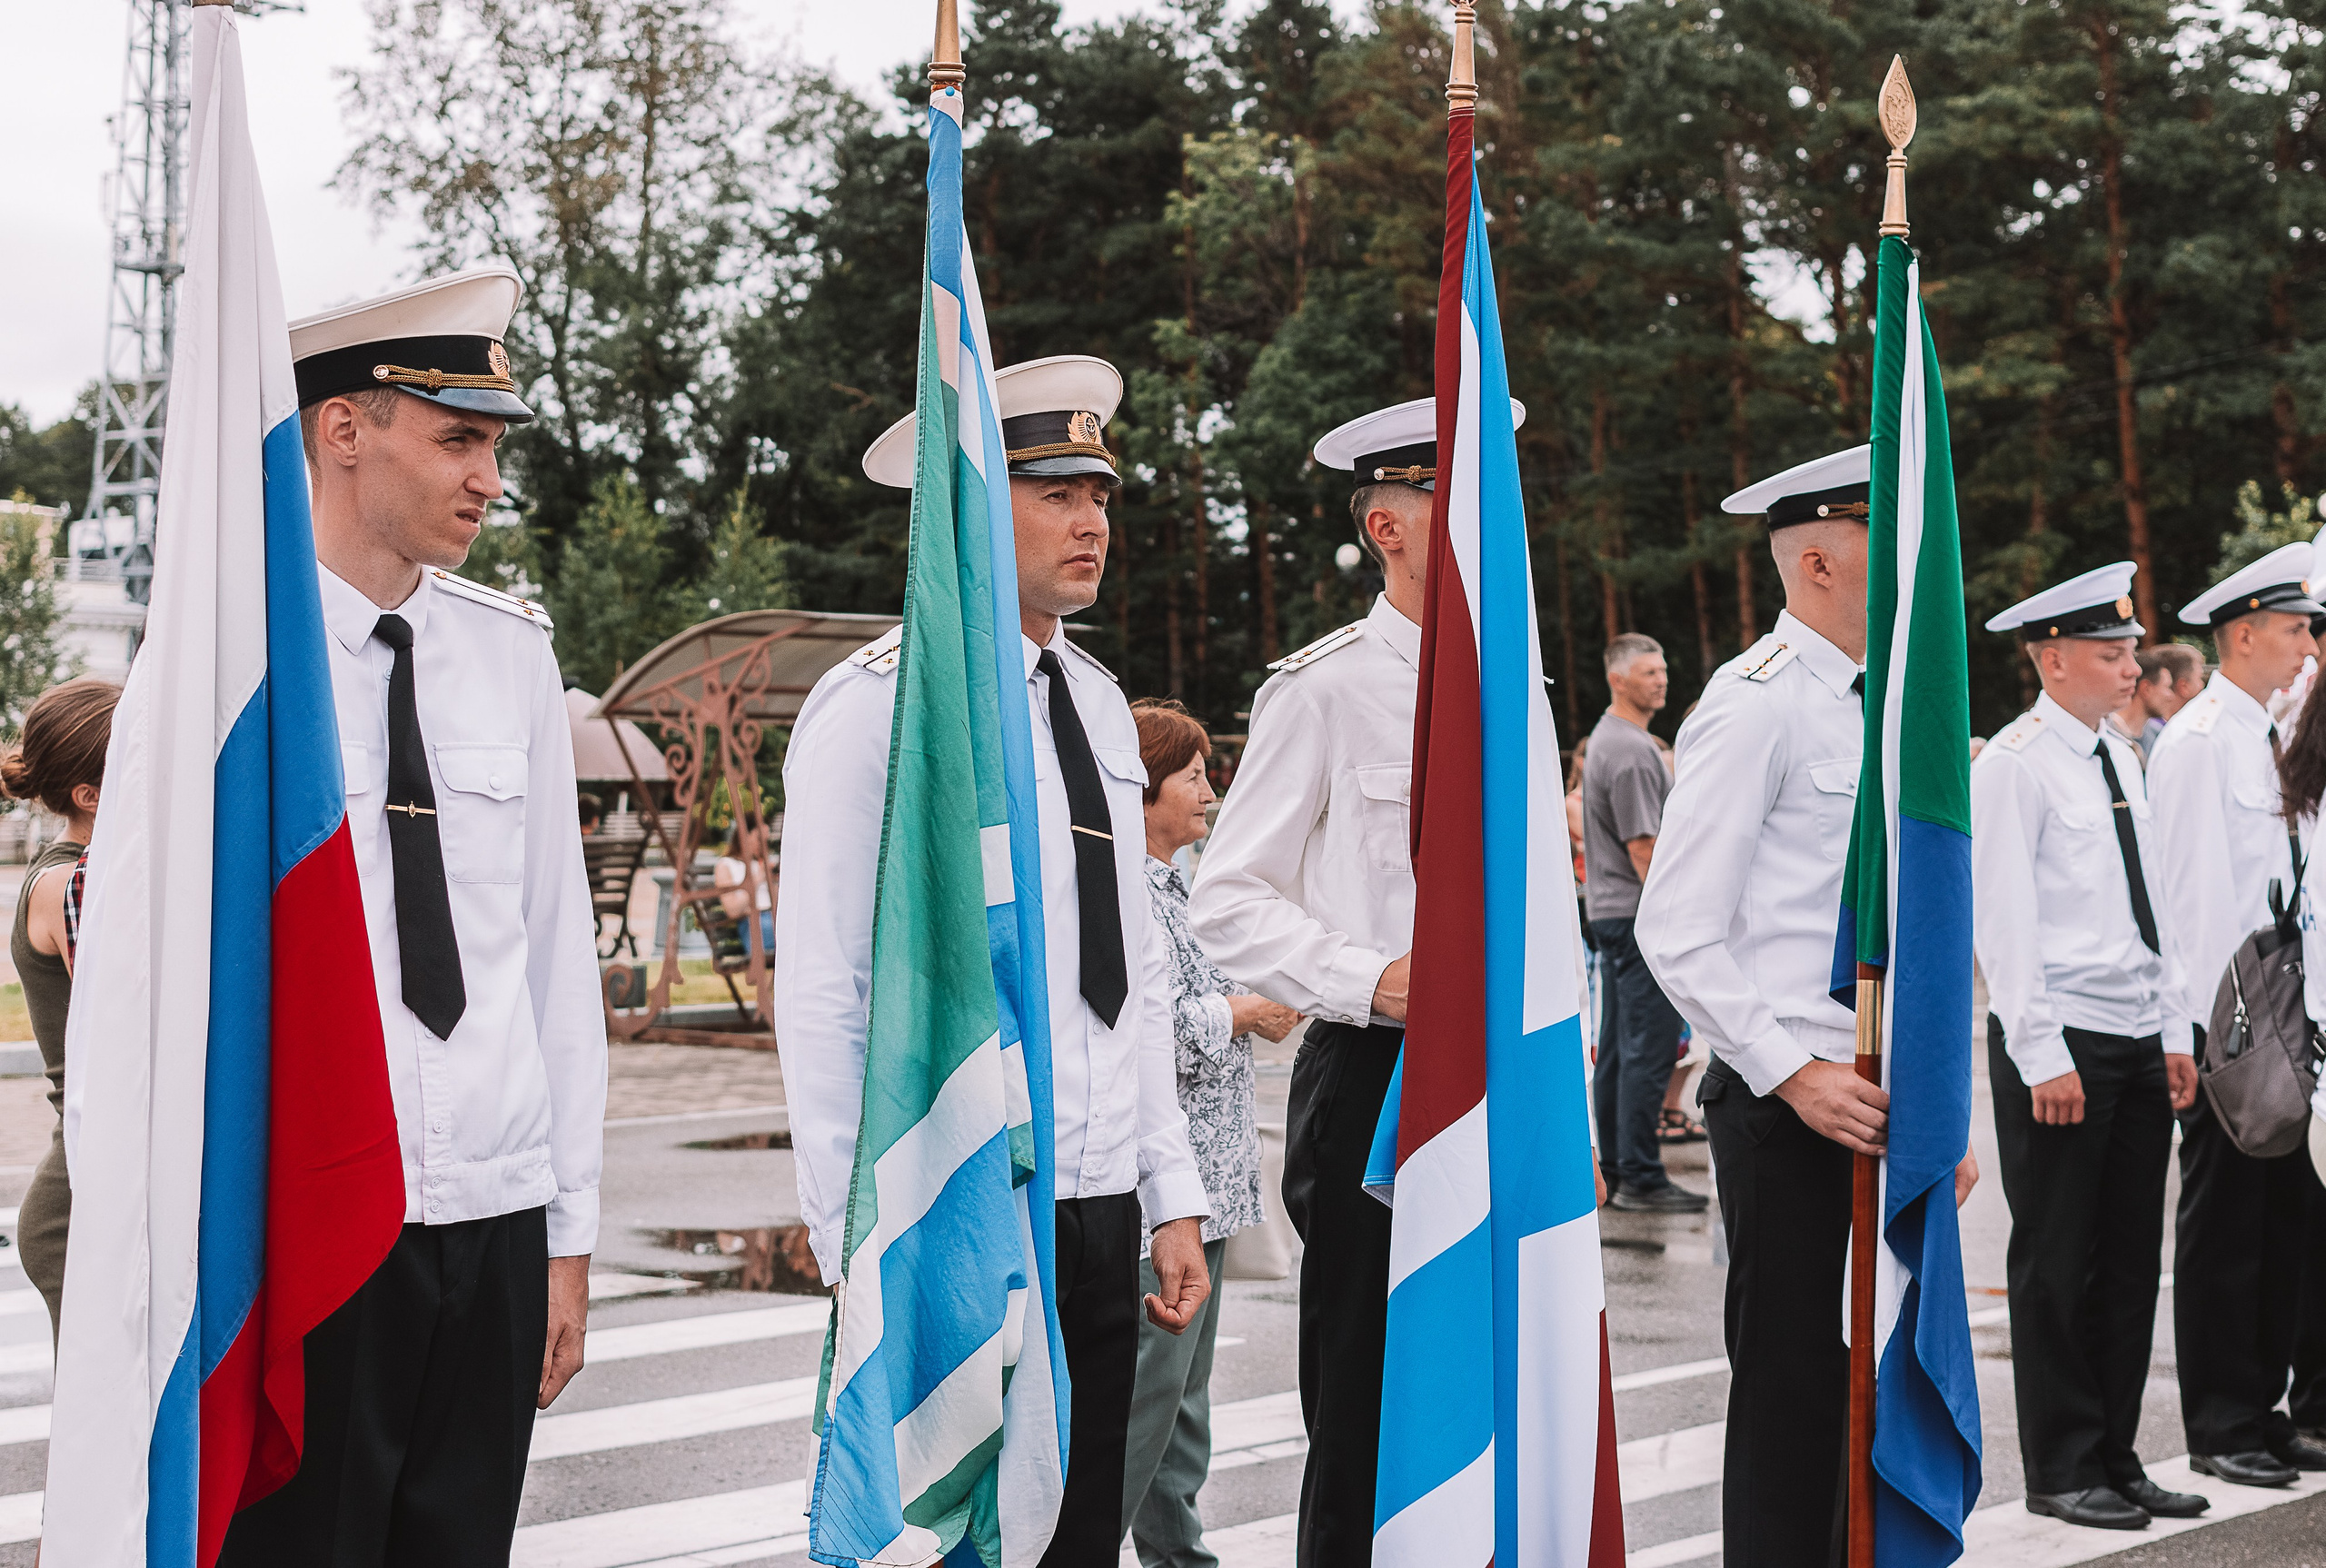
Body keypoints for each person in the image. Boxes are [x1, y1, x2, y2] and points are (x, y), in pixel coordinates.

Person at [773, 355, 1212, 1565]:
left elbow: (1133, 979)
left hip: (1100, 1196)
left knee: (1077, 1534)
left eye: (1102, 494)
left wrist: (1168, 1191)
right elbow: (825, 988)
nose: (1091, 523)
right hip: (956, 1194)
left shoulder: (1104, 704)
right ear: (966, 506)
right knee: (955, 1536)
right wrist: (846, 1232)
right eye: (1052, 491)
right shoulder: (883, 710)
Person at [222, 267, 609, 1563]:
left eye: (494, 443)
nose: (488, 477)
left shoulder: (510, 654)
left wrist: (567, 1236)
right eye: (458, 437)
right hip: (314, 1222)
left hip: (492, 1220)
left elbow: (555, 963)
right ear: (344, 429)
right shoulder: (231, 665)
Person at [1189, 392, 1531, 1568]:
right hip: (1379, 1067)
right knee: (1370, 1397)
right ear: (1388, 524)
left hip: (1503, 1066)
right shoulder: (1323, 687)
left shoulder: (1515, 682)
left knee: (1497, 1386)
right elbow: (1226, 894)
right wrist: (1373, 975)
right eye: (1455, 497)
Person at [1636, 445, 1977, 1567]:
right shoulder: (1754, 705)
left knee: (1878, 1382)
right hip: (1790, 1099)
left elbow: (1925, 929)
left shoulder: (1894, 709)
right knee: (1793, 1395)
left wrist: (1939, 1103)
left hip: (1884, 1095)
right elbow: (1675, 927)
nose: (1912, 562)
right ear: (1821, 556)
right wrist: (1792, 1071)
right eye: (1889, 537)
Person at [1973, 563, 2205, 1529]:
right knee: (2057, 1260)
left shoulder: (2120, 759)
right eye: (2110, 653)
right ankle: (2062, 1465)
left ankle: (2116, 1452)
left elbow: (2146, 910)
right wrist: (2039, 1051)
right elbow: (2005, 921)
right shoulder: (2014, 765)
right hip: (2061, 1038)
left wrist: (2173, 1030)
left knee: (2120, 1260)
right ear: (2051, 657)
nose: (2129, 667)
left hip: (2132, 1037)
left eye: (2131, 650)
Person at [2149, 540, 2326, 1488]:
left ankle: (2265, 1407)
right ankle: (2220, 1420)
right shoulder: (2198, 738)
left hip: (2285, 997)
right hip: (2230, 1012)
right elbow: (2187, 896)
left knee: (2281, 1215)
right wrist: (2193, 1032)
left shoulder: (2267, 730)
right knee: (2224, 1221)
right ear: (2245, 632)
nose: (2309, 646)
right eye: (2297, 628)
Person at [1120, 699, 1300, 1568]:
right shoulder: (1128, 890)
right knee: (1153, 1393)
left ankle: (1176, 1556)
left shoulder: (1186, 881)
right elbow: (1138, 1025)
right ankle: (1088, 1545)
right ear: (1146, 787)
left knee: (1183, 1396)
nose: (1208, 790)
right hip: (1167, 1184)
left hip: (1214, 1179)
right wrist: (1236, 1012)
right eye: (1191, 775)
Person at [1, 678, 119, 1344]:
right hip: (81, 1208)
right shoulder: (76, 880)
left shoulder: (94, 866)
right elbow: (137, 1018)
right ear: (89, 795)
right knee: (106, 1437)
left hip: (99, 1183)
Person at [1582, 632, 1705, 1211]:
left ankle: (1614, 1166)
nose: (1661, 680)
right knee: (1647, 1049)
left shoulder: (1611, 740)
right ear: (1617, 679)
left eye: (1662, 670)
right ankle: (1640, 1174)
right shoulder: (1631, 749)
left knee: (1620, 1045)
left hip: (1613, 911)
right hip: (1637, 914)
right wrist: (1678, 920)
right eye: (1648, 672)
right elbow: (1644, 848)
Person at [2109, 643, 2205, 763]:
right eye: (2167, 687)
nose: (2171, 695)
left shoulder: (2158, 734)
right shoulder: (2109, 735)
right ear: (2146, 688)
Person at [713, 818, 776, 950]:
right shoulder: (726, 865)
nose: (764, 844)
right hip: (755, 924)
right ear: (744, 836)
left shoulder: (761, 865)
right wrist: (758, 880)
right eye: (759, 839)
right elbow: (733, 910)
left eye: (767, 840)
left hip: (773, 918)